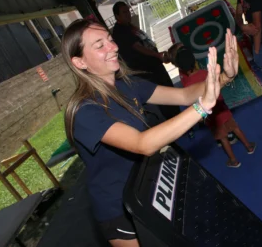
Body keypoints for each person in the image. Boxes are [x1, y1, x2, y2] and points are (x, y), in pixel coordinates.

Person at [61, 19, 239, 247]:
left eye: (110, 40)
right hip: (117, 206)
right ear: (79, 62)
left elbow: (184, 96)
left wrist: (225, 77)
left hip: (148, 189)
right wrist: (202, 108)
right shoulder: (84, 111)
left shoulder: (127, 84)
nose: (113, 47)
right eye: (99, 45)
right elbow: (142, 143)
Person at [168, 43, 256, 168]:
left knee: (223, 138)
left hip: (211, 117)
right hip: (222, 108)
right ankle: (249, 146)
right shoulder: (205, 72)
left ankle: (233, 160)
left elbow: (193, 101)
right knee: (235, 127)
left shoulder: (188, 85)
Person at [111, 1, 180, 122]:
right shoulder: (120, 31)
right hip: (147, 71)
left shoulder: (130, 27)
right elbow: (138, 47)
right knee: (164, 97)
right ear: (117, 16)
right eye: (124, 12)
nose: (128, 14)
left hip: (154, 66)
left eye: (128, 11)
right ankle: (175, 122)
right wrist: (157, 55)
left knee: (170, 91)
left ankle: (178, 116)